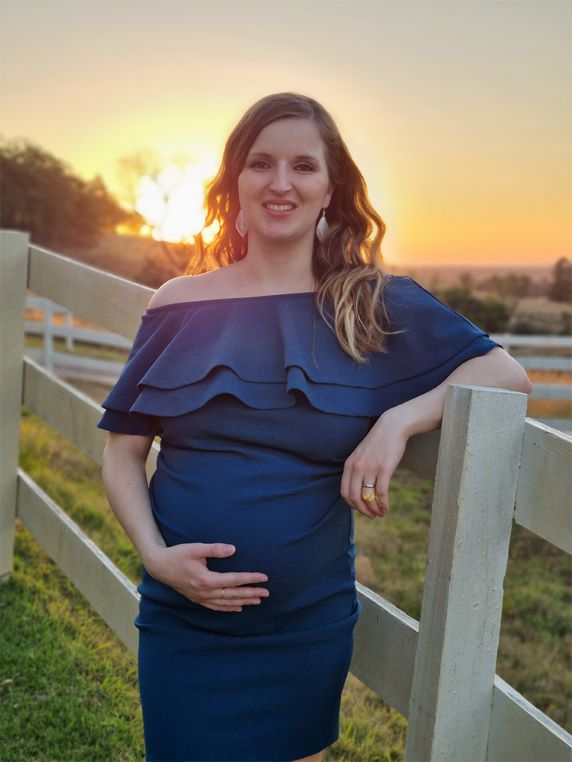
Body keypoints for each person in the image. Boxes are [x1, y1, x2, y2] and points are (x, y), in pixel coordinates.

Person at [97, 92, 532, 762]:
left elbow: (506, 375)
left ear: (332, 189)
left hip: (303, 632)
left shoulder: (371, 304)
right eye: (261, 163)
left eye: (303, 166)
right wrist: (156, 558)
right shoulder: (178, 305)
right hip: (184, 619)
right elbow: (123, 453)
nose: (280, 183)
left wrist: (399, 419)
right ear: (235, 181)